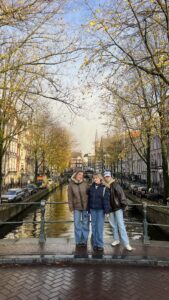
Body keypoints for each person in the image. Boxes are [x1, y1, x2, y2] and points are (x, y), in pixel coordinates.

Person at [103, 171, 133, 251]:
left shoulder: (115, 185)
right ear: (104, 177)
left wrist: (124, 206)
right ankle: (116, 240)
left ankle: (126, 244)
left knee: (121, 226)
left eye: (108, 176)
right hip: (110, 209)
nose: (107, 178)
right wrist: (106, 210)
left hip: (117, 208)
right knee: (113, 225)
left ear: (111, 177)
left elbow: (122, 195)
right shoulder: (105, 186)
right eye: (106, 176)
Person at [88, 173, 110, 252]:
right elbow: (89, 199)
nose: (95, 179)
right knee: (94, 227)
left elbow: (106, 201)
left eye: (96, 178)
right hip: (93, 210)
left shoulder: (104, 188)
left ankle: (100, 244)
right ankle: (95, 244)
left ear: (100, 179)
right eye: (94, 178)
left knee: (99, 228)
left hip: (100, 210)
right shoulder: (91, 187)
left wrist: (107, 212)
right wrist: (88, 209)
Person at [68, 170, 89, 247]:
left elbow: (89, 195)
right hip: (76, 207)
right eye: (79, 174)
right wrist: (71, 208)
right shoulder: (71, 184)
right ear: (76, 175)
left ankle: (84, 240)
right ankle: (78, 241)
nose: (81, 176)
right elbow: (70, 197)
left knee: (85, 224)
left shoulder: (85, 183)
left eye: (82, 175)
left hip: (85, 207)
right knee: (77, 224)